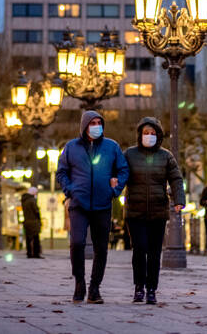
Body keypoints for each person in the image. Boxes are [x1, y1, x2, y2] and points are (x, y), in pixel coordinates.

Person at [57, 110, 129, 304]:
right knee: (77, 243)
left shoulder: (111, 146)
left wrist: (115, 191)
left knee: (101, 248)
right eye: (93, 123)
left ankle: (95, 287)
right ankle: (79, 282)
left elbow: (123, 170)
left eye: (99, 122)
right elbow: (61, 172)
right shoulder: (71, 147)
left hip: (102, 205)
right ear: (84, 126)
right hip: (78, 204)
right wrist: (69, 190)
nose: (97, 126)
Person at [123, 117, 185, 305]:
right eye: (145, 133)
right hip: (135, 210)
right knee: (139, 249)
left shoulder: (166, 156)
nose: (149, 136)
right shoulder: (129, 154)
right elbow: (119, 174)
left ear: (158, 135)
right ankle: (138, 287)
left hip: (158, 211)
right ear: (139, 135)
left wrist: (178, 200)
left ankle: (152, 289)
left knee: (155, 251)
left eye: (152, 133)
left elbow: (176, 179)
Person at [21, 186, 43, 258]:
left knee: (28, 238)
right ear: (34, 193)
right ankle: (36, 254)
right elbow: (36, 211)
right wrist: (39, 219)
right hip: (34, 222)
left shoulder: (24, 200)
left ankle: (29, 253)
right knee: (36, 238)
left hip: (26, 221)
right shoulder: (32, 200)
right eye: (36, 193)